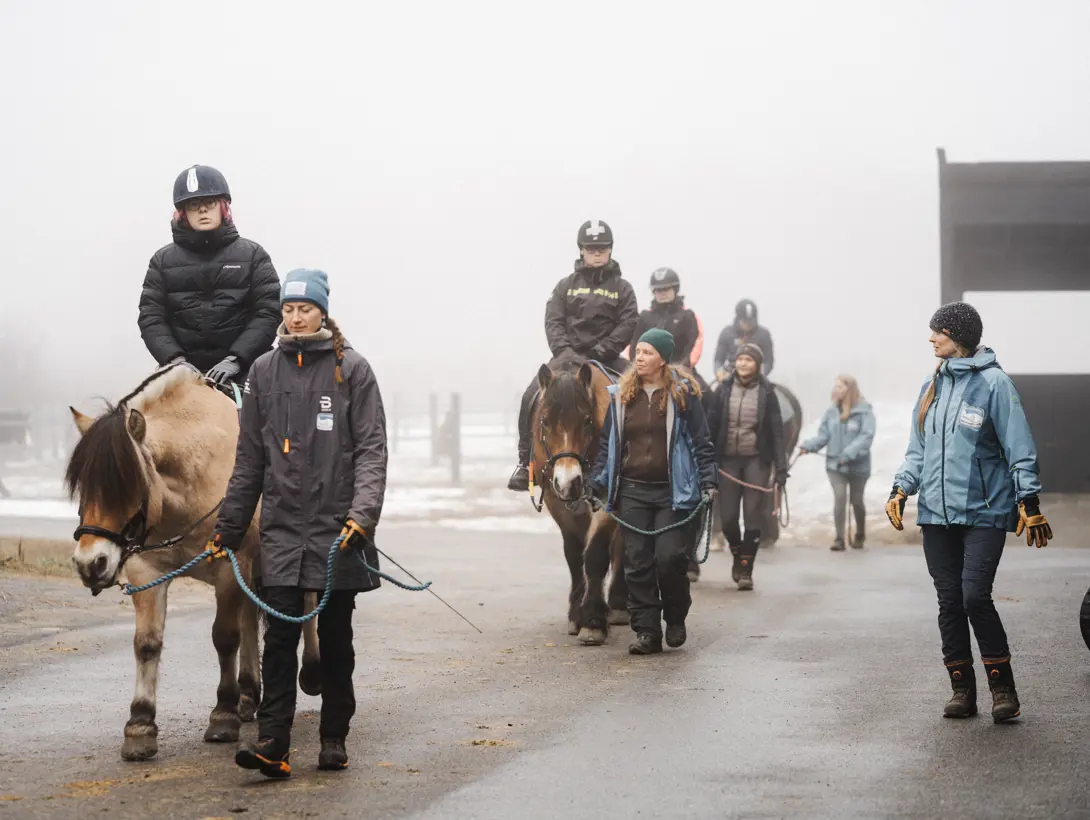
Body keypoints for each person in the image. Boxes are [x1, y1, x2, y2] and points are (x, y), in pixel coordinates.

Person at [211, 268, 388, 778]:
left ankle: (333, 736)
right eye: (288, 309)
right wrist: (228, 526)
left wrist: (363, 516)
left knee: (336, 640)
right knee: (280, 640)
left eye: (304, 308)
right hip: (283, 530)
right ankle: (273, 742)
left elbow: (373, 450)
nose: (294, 316)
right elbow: (249, 461)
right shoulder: (264, 371)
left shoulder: (352, 370)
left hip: (340, 531)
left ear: (323, 311)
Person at [886, 301, 1052, 724]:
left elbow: (1019, 446)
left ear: (957, 336)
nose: (931, 338)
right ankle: (962, 689)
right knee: (948, 603)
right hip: (936, 515)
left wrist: (1027, 500)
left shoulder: (995, 384)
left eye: (937, 331)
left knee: (973, 596)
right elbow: (917, 451)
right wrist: (902, 488)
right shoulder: (931, 385)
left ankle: (1003, 689)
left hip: (985, 510)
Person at [588, 329, 718, 655]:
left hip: (673, 492)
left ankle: (675, 617)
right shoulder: (621, 396)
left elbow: (701, 442)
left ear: (662, 358)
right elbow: (608, 447)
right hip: (632, 491)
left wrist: (709, 480)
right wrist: (597, 482)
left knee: (670, 559)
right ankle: (646, 631)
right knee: (637, 563)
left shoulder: (683, 395)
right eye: (639, 351)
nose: (640, 357)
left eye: (647, 352)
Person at [508, 219, 638, 491]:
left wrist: (601, 351)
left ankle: (634, 459)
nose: (597, 253)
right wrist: (564, 351)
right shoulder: (564, 286)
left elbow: (627, 324)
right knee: (530, 395)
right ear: (581, 250)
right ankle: (524, 462)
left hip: (607, 358)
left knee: (636, 392)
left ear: (610, 250)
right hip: (567, 357)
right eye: (591, 248)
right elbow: (553, 320)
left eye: (602, 248)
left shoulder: (623, 289)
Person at [139, 164, 281, 387]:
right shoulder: (162, 261)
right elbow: (151, 317)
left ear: (223, 206)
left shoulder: (254, 255)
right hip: (183, 373)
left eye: (210, 203)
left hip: (246, 371)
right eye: (194, 205)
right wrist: (175, 360)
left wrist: (236, 359)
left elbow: (269, 311)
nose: (203, 210)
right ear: (183, 212)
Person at [707, 343, 787, 590]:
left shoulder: (768, 393)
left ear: (757, 364)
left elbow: (776, 432)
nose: (743, 363)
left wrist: (781, 468)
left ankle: (746, 569)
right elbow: (711, 425)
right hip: (728, 460)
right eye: (740, 359)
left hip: (756, 460)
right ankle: (737, 554)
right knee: (729, 519)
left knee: (753, 519)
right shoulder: (722, 390)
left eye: (748, 360)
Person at [799, 375, 876, 550]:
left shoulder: (865, 412)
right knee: (840, 497)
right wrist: (808, 446)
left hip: (859, 466)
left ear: (850, 389)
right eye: (836, 386)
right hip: (835, 466)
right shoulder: (831, 412)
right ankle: (839, 539)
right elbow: (823, 436)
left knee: (856, 500)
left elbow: (866, 438)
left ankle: (860, 534)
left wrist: (848, 454)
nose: (836, 390)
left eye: (840, 387)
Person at [713, 298, 775, 380]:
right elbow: (718, 359)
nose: (748, 324)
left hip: (756, 374)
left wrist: (761, 373)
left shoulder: (764, 335)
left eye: (751, 321)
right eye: (745, 321)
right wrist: (720, 372)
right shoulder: (727, 333)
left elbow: (768, 361)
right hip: (731, 373)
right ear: (738, 319)